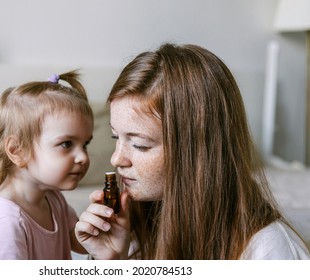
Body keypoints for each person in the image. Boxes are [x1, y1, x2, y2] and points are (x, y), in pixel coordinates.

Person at [75, 43, 310, 260]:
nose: (116, 159)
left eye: (140, 145)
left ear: (198, 151)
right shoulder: (128, 234)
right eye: (116, 137)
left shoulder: (270, 254)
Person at [0, 70, 92, 259]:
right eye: (66, 144)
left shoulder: (53, 199)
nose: (83, 157)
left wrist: (98, 229)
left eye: (85, 144)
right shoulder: (5, 225)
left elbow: (79, 243)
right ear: (17, 151)